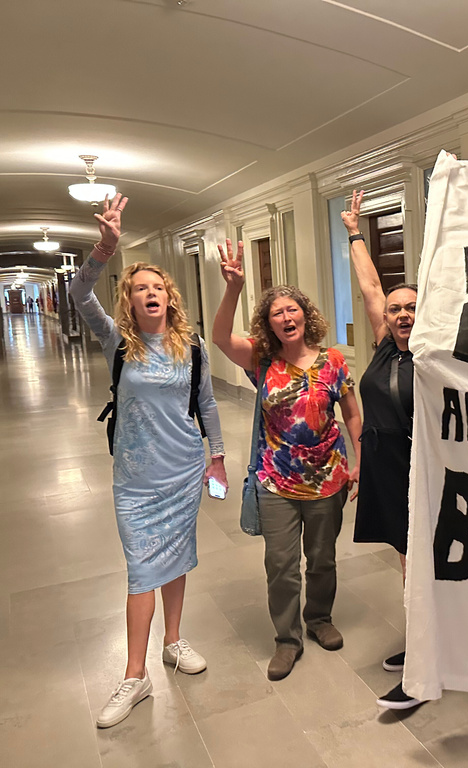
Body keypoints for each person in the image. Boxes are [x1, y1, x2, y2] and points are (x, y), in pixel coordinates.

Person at [69, 194, 227, 728]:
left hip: (183, 471)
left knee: (176, 560)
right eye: (140, 288)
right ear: (130, 300)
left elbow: (207, 405)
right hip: (135, 481)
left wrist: (217, 458)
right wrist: (104, 248)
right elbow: (78, 294)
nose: (150, 292)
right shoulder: (116, 340)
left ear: (169, 296)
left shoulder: (192, 347)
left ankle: (174, 642)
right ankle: (134, 675)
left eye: (157, 286)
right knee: (141, 572)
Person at [213, 246, 362, 681]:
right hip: (276, 481)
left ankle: (319, 619)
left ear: (304, 314)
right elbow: (220, 337)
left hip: (328, 479)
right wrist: (234, 288)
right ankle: (287, 639)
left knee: (322, 559)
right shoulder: (261, 360)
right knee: (280, 565)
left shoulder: (333, 360)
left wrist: (361, 461)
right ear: (269, 323)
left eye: (291, 309)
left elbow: (352, 414)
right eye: (276, 313)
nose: (285, 317)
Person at [340, 189, 422, 710]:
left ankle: (425, 664)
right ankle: (426, 644)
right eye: (396, 309)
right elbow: (370, 285)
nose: (402, 314)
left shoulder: (436, 353)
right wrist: (354, 231)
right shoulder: (385, 344)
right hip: (385, 468)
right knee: (407, 560)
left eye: (412, 307)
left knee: (419, 565)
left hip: (419, 468)